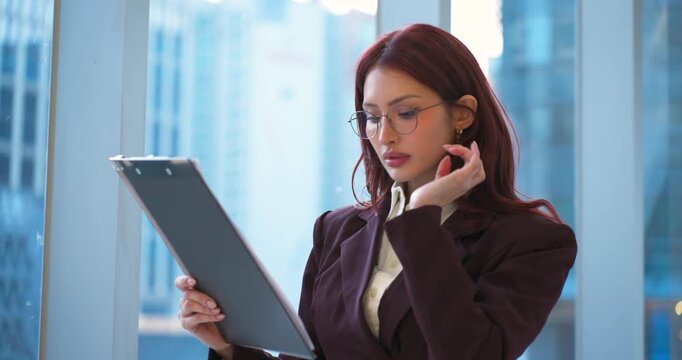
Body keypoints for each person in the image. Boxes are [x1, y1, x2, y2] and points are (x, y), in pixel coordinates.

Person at [175, 23, 577, 360]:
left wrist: (421, 215)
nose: (383, 136)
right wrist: (228, 347)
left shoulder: (531, 242)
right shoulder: (336, 230)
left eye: (405, 113)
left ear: (463, 114)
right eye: (371, 117)